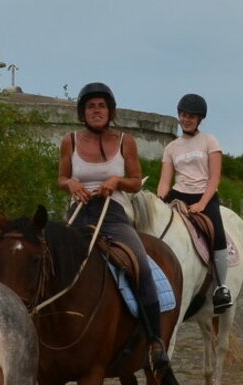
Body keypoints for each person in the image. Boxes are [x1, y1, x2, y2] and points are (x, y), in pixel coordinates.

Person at [57, 82, 173, 361]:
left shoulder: (125, 141)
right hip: (80, 212)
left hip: (114, 214)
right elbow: (61, 178)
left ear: (110, 111)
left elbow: (135, 182)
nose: (96, 110)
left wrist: (116, 181)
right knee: (54, 263)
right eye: (90, 106)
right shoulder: (69, 141)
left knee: (139, 264)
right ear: (82, 112)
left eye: (101, 106)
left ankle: (155, 341)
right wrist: (71, 183)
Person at [154, 93, 232, 311]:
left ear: (200, 119)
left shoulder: (209, 141)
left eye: (191, 116)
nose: (186, 119)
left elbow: (214, 178)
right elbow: (164, 182)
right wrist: (160, 200)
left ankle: (221, 288)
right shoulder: (171, 148)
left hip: (204, 195)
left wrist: (203, 204)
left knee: (217, 235)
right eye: (183, 115)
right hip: (178, 195)